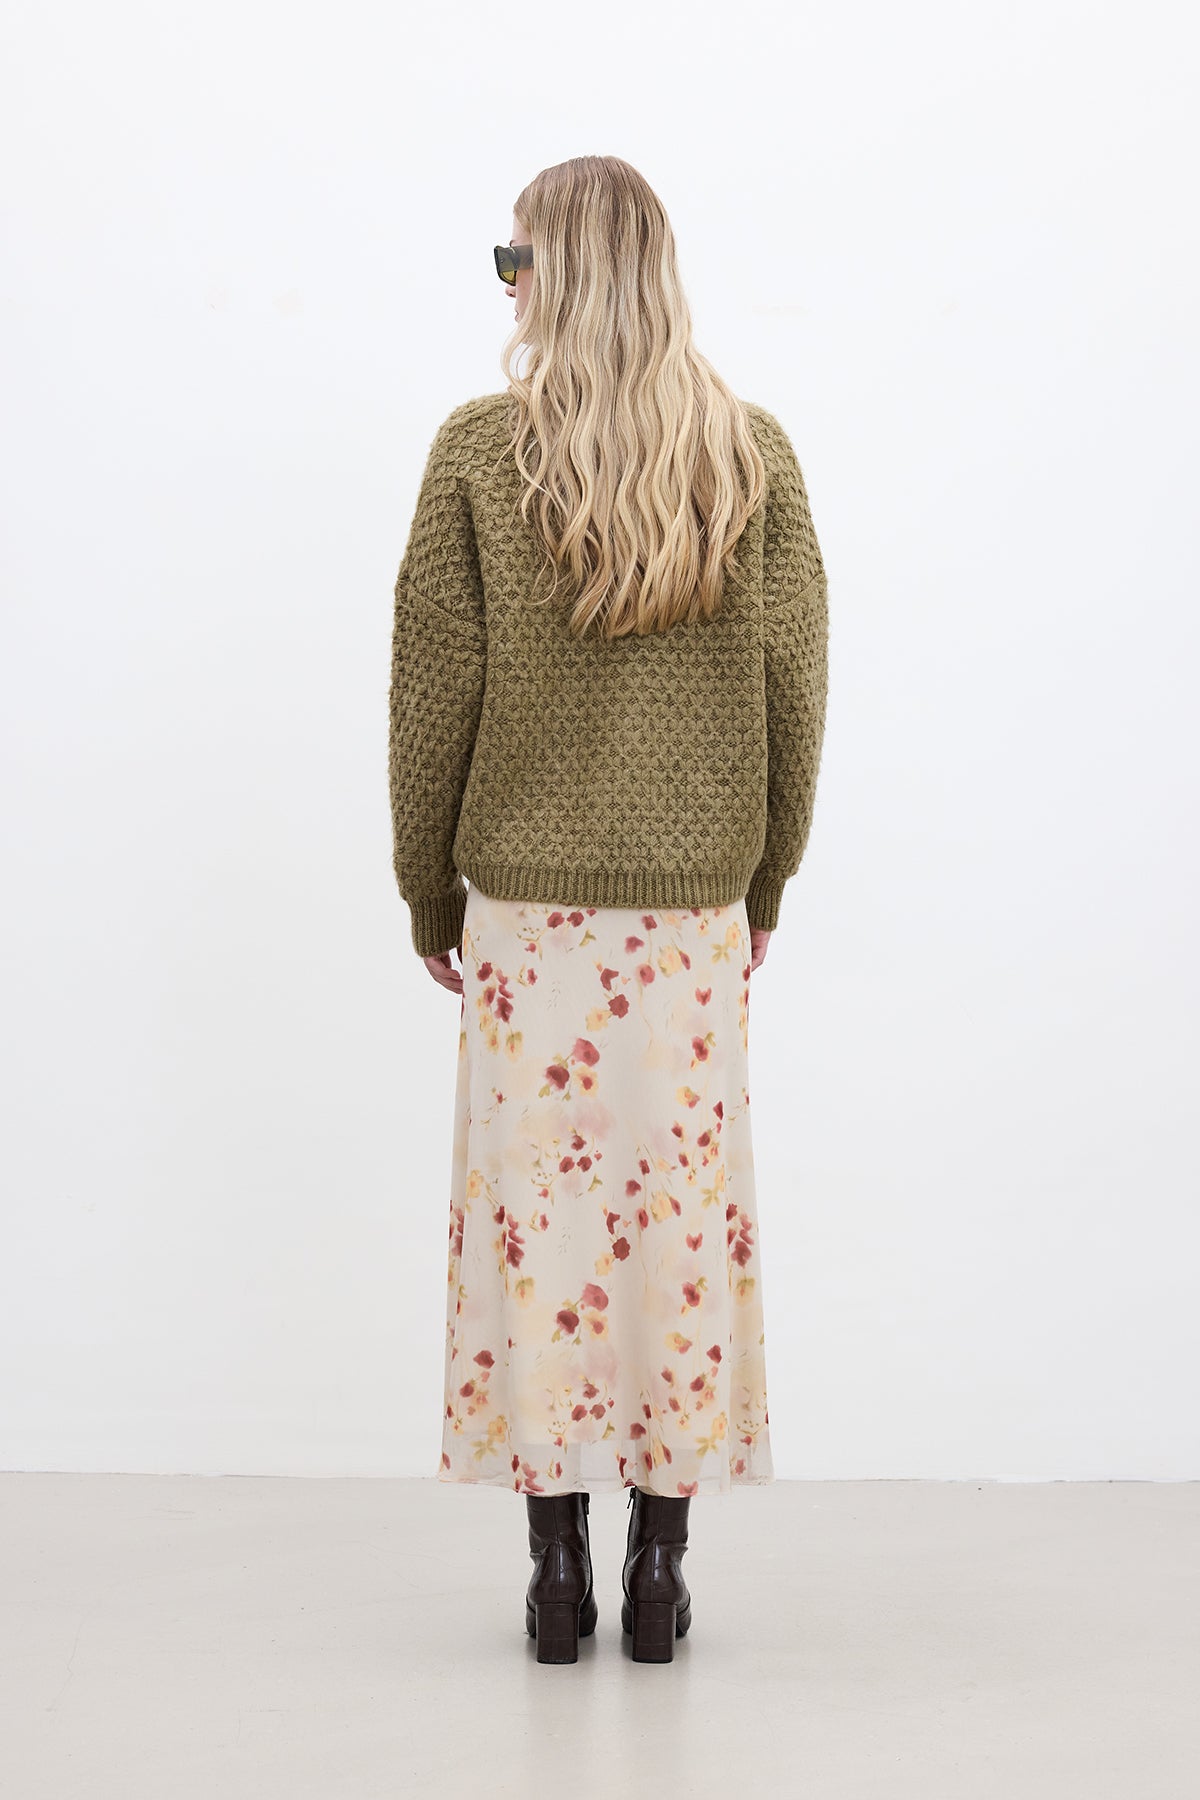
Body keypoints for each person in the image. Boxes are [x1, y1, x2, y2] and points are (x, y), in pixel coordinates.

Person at [387, 155, 829, 1664]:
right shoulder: (749, 455)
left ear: (561, 275)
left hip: (527, 922)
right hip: (689, 922)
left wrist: (425, 885)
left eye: (515, 260)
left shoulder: (477, 453)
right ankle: (659, 1571)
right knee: (674, 1234)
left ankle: (555, 1574)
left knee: (546, 1235)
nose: (507, 287)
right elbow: (796, 691)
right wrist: (766, 876)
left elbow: (431, 695)